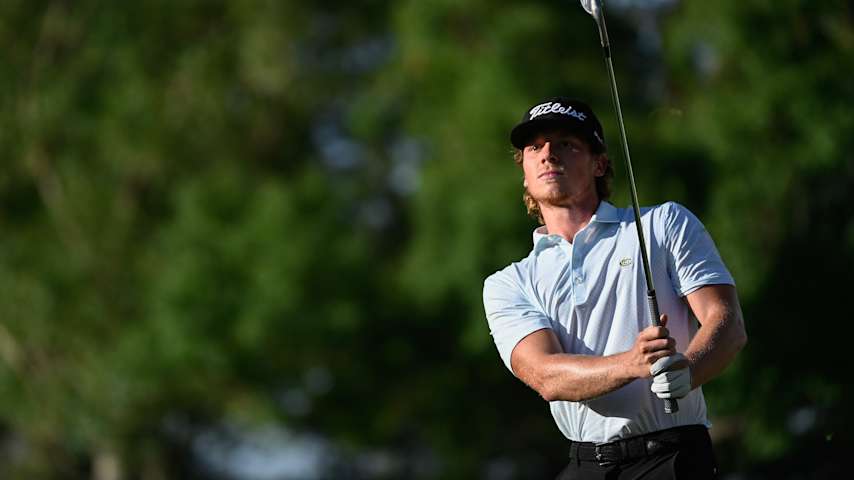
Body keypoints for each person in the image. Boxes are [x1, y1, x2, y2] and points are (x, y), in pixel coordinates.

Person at [482, 97, 747, 479]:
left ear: (599, 164)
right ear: (523, 171)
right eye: (534, 147)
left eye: (566, 144)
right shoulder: (509, 282)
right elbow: (545, 375)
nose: (548, 154)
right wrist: (631, 362)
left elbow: (727, 323)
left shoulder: (663, 224)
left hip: (672, 457)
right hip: (584, 465)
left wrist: (689, 370)